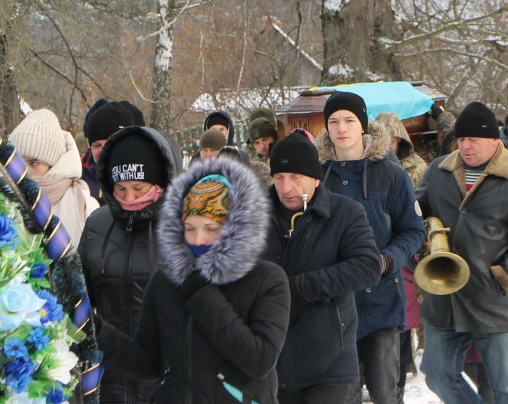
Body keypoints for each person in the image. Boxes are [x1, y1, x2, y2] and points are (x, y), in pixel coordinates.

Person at [97, 156, 289, 403]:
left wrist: (202, 293)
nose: (198, 240)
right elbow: (148, 362)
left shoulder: (267, 280)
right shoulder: (166, 281)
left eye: (211, 229)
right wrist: (98, 333)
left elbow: (259, 360)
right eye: (190, 228)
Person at [416, 101, 508, 403]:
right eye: (461, 139)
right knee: (437, 374)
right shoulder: (439, 171)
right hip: (445, 298)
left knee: (507, 390)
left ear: (494, 141)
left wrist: (503, 277)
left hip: (494, 300)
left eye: (472, 140)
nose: (465, 146)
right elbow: (416, 213)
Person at [316, 91, 424, 404]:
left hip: (382, 302)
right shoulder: (316, 177)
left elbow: (413, 229)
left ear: (363, 125)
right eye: (333, 121)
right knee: (341, 395)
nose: (341, 128)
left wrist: (389, 260)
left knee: (386, 394)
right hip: (332, 307)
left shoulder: (391, 174)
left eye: (349, 120)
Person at [263, 134, 381, 402]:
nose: (286, 187)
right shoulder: (252, 215)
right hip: (270, 357)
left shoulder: (345, 212)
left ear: (316, 178)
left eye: (295, 177)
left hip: (331, 359)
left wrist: (304, 287)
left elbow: (367, 266)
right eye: (279, 177)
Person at [78, 122, 183, 404]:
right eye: (120, 188)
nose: (129, 198)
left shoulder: (185, 228)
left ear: (161, 182)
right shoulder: (97, 225)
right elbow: (76, 296)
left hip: (168, 385)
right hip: (108, 382)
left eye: (139, 188)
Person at [374, 111, 429, 388]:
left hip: (412, 237)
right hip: (390, 244)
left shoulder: (418, 166)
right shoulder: (373, 166)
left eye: (394, 140)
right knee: (402, 303)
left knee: (418, 300)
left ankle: (418, 350)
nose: (389, 144)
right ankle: (403, 358)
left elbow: (424, 202)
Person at [9, 107, 100, 245]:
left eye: (34, 163)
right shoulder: (0, 198)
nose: (24, 170)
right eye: (18, 161)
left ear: (54, 165)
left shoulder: (83, 205)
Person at [82, 99, 146, 201]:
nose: (103, 151)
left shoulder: (147, 180)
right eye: (97, 145)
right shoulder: (81, 180)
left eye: (109, 144)